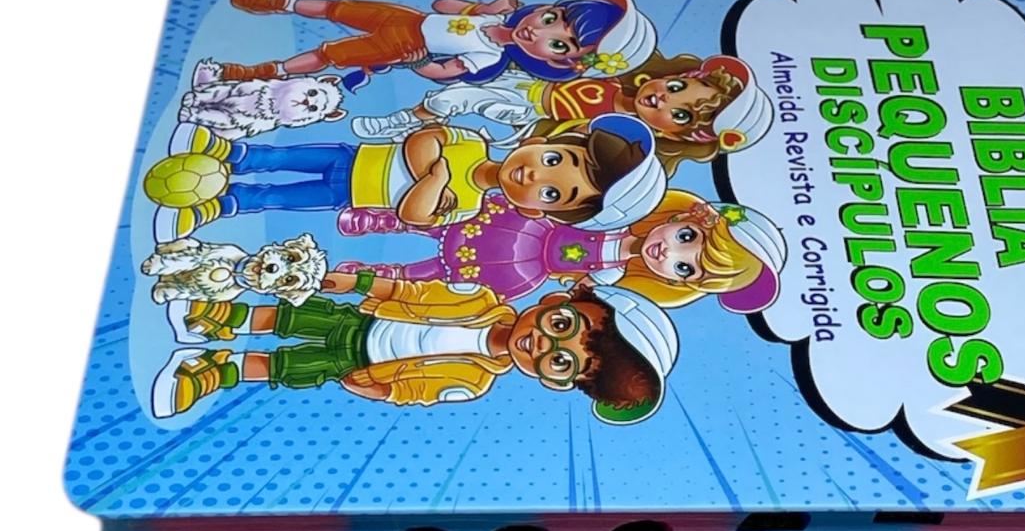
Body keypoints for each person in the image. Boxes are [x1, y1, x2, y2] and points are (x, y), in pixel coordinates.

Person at [154, 274, 678, 426]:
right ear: (553, 301)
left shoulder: (473, 383)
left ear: (555, 381)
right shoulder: (479, 298)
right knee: (295, 316)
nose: (541, 344)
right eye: (560, 325)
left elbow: (419, 393)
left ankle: (219, 370)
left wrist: (382, 390)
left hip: (362, 362)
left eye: (560, 360)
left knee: (294, 368)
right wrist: (360, 282)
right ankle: (225, 318)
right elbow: (412, 291)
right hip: (363, 318)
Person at [152, 114, 666, 242]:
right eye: (554, 158)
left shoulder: (467, 205)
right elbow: (423, 139)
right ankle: (233, 153)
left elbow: (412, 214)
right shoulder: (473, 143)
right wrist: (433, 173)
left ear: (535, 209)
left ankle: (228, 203)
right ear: (543, 138)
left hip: (346, 192)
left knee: (281, 199)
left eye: (552, 191)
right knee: (285, 155)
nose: (536, 173)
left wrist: (435, 181)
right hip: (353, 156)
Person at [336, 191, 787, 312]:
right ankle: (385, 221)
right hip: (530, 228)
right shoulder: (620, 210)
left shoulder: (618, 278)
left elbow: (589, 289)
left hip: (529, 270)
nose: (668, 252)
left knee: (446, 271)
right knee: (453, 222)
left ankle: (382, 272)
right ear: (683, 216)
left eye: (684, 268)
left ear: (676, 282)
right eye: (686, 238)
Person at [352, 54, 774, 176]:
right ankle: (405, 104)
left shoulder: (618, 138)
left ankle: (402, 127)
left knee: (460, 101)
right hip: (530, 84)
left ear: (678, 138)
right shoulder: (620, 74)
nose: (664, 98)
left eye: (679, 115)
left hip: (530, 114)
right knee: (462, 81)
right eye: (676, 87)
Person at [212, 0, 656, 86]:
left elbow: (444, 72)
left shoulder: (489, 59)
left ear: (556, 60)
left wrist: (418, 62)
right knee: (336, 8)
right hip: (405, 18)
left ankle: (265, 71)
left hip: (406, 43)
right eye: (552, 17)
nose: (539, 30)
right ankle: (279, 3)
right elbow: (443, 5)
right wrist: (483, 9)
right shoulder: (497, 15)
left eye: (558, 43)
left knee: (331, 54)